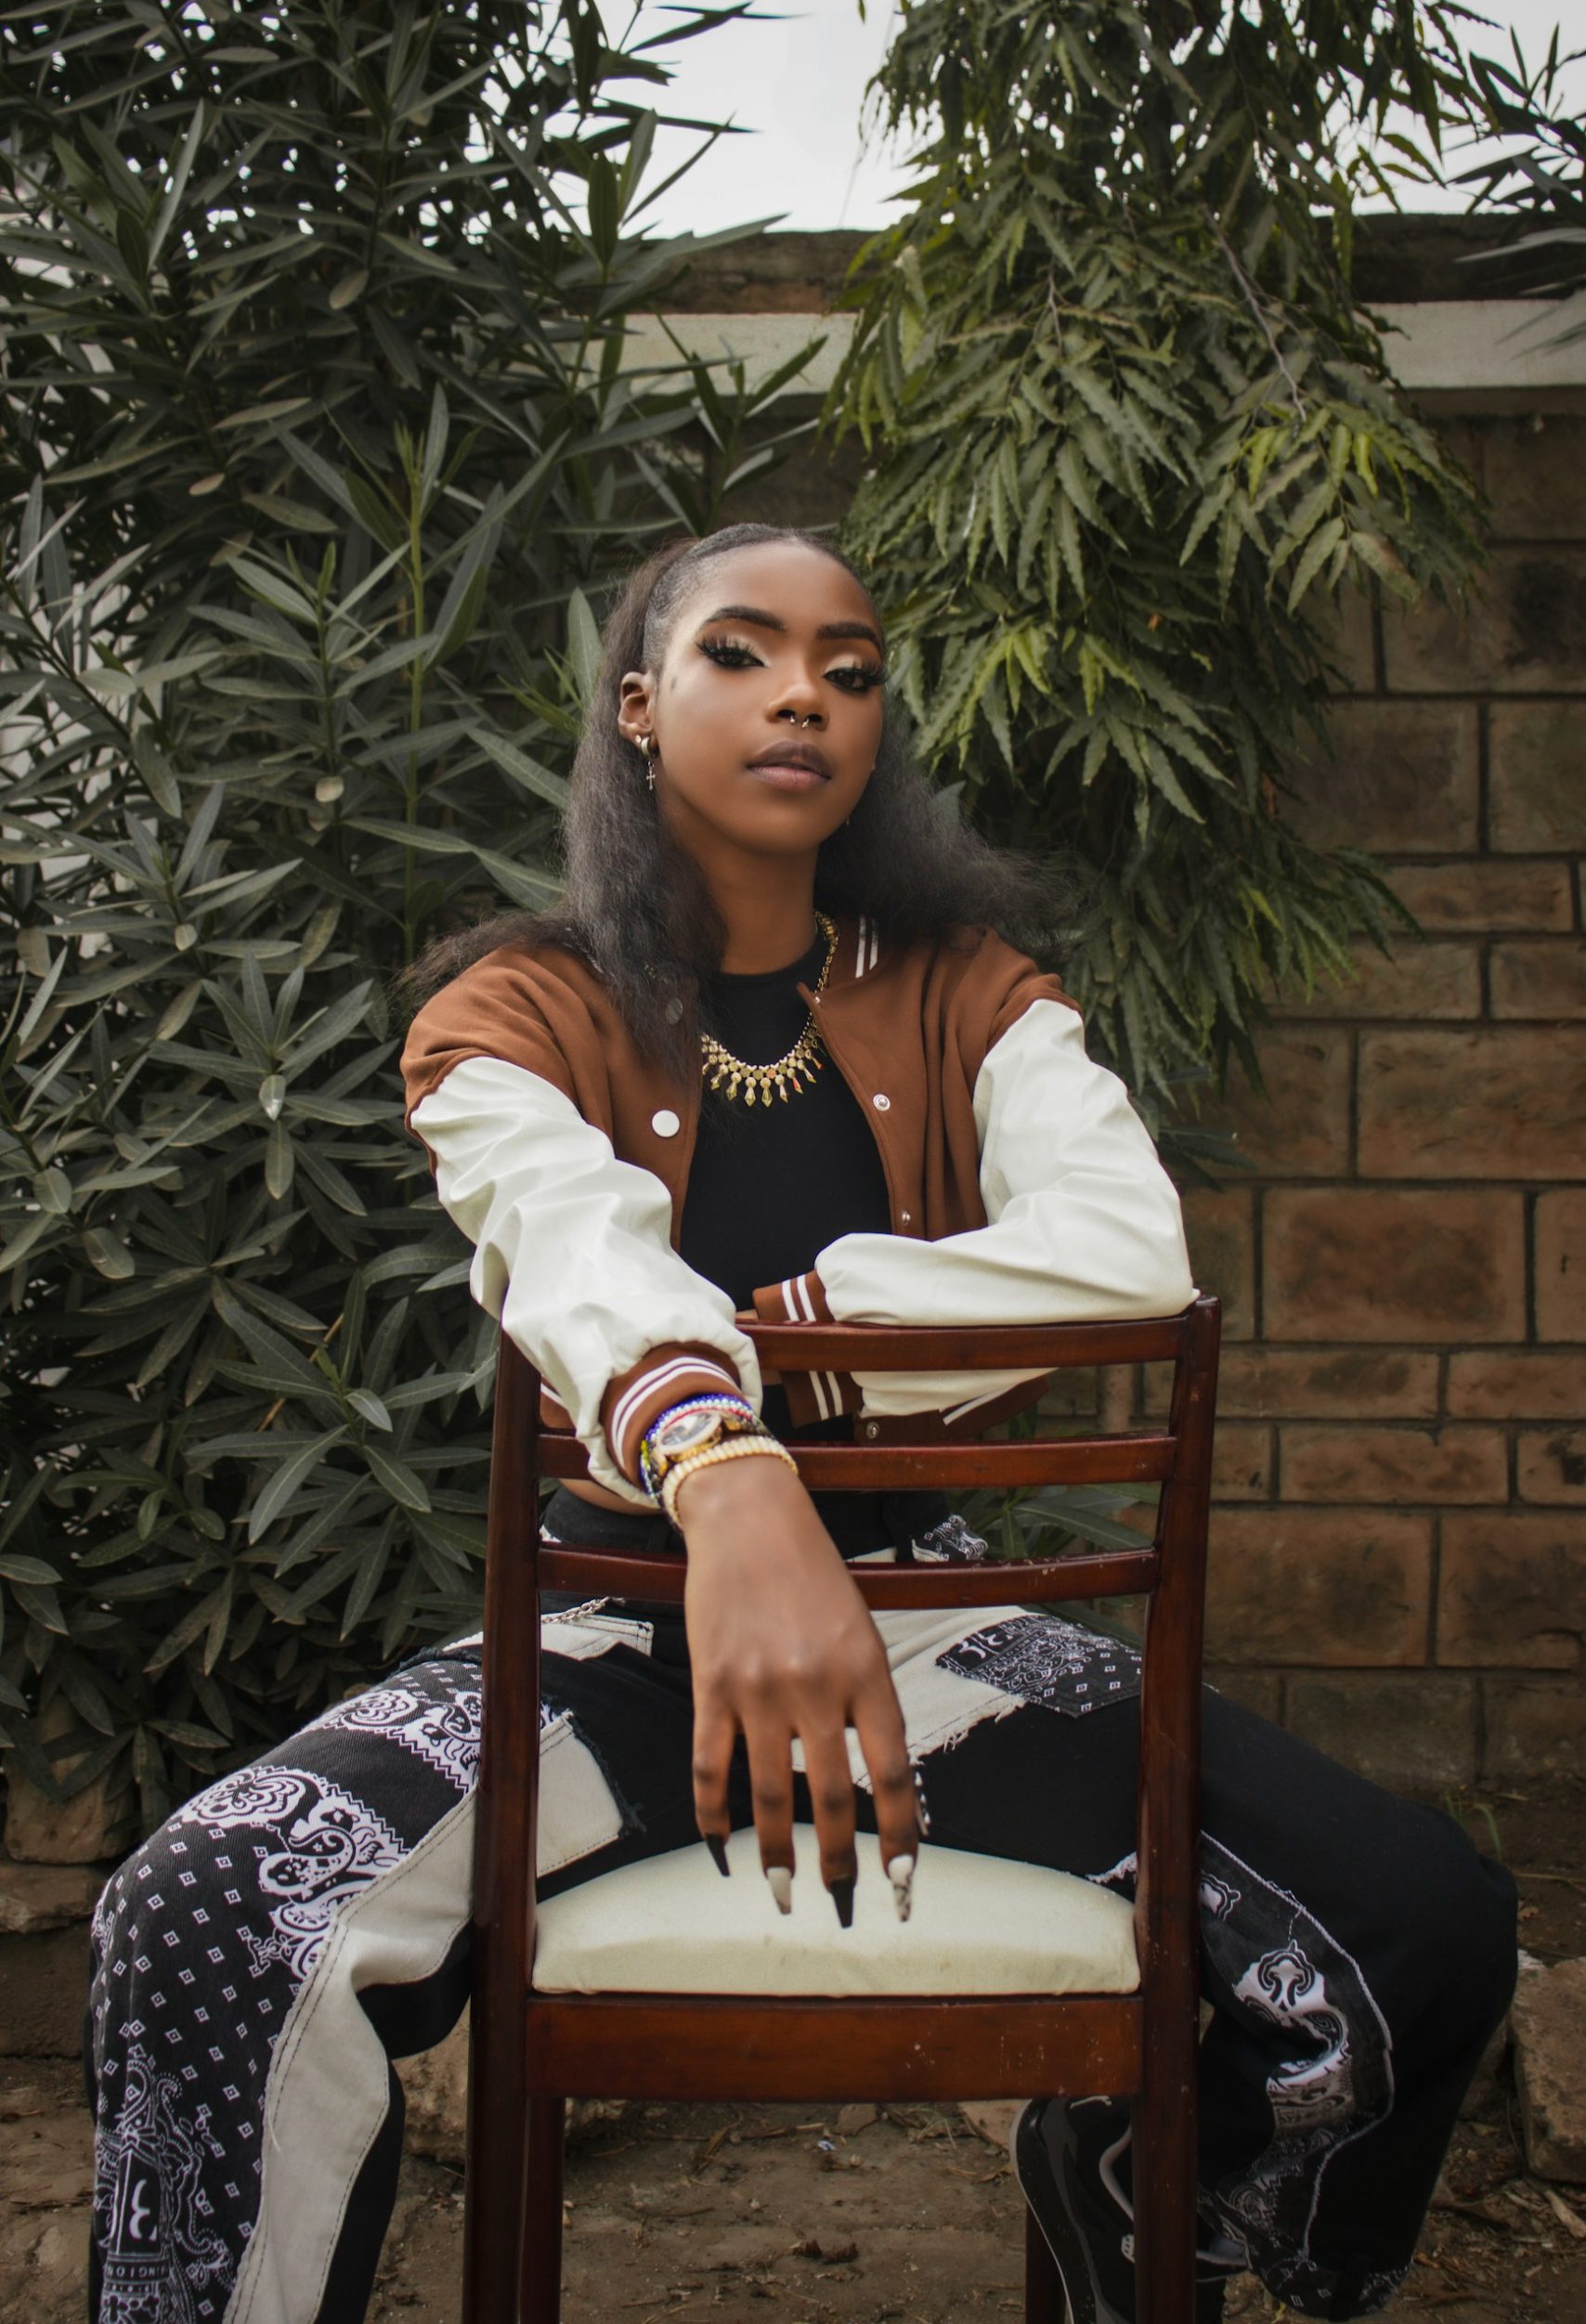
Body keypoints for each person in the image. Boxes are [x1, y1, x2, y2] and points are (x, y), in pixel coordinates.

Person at [85, 524, 1515, 2324]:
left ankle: (1131, 2187)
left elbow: (1119, 1255)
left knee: (1423, 1930)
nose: (805, 696)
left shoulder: (972, 986)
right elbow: (569, 1251)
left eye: (848, 667)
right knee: (211, 1912)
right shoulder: (511, 1011)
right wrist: (723, 1461)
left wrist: (791, 1342)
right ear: (633, 707)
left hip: (937, 1639)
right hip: (602, 1634)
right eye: (743, 653)